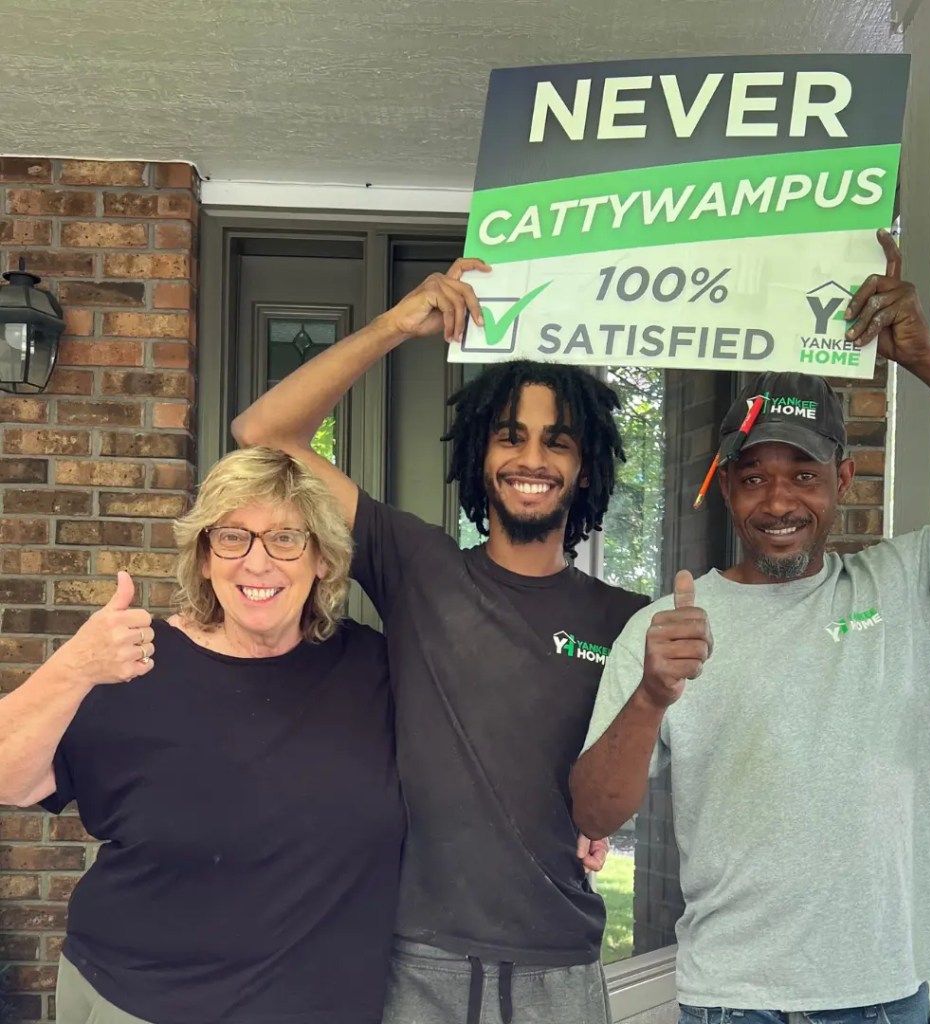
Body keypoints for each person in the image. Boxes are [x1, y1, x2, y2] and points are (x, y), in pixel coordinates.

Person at [570, 229, 930, 1024]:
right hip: (735, 1004)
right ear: (725, 488)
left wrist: (923, 359)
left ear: (842, 479)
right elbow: (595, 815)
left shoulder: (907, 586)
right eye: (755, 478)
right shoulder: (664, 630)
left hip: (885, 996)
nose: (778, 503)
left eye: (803, 476)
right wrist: (651, 695)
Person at [232, 259, 649, 1024]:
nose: (531, 459)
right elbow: (263, 433)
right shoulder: (416, 564)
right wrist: (398, 325)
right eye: (509, 437)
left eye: (557, 443)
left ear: (584, 469)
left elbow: (617, 792)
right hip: (416, 960)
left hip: (560, 962)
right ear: (478, 458)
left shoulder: (628, 621)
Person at [0, 447, 402, 1024]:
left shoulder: (375, 670)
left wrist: (565, 817)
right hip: (143, 1004)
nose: (257, 563)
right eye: (232, 538)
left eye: (286, 538)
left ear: (321, 559)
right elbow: (11, 779)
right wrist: (73, 667)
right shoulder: (135, 664)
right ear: (206, 559)